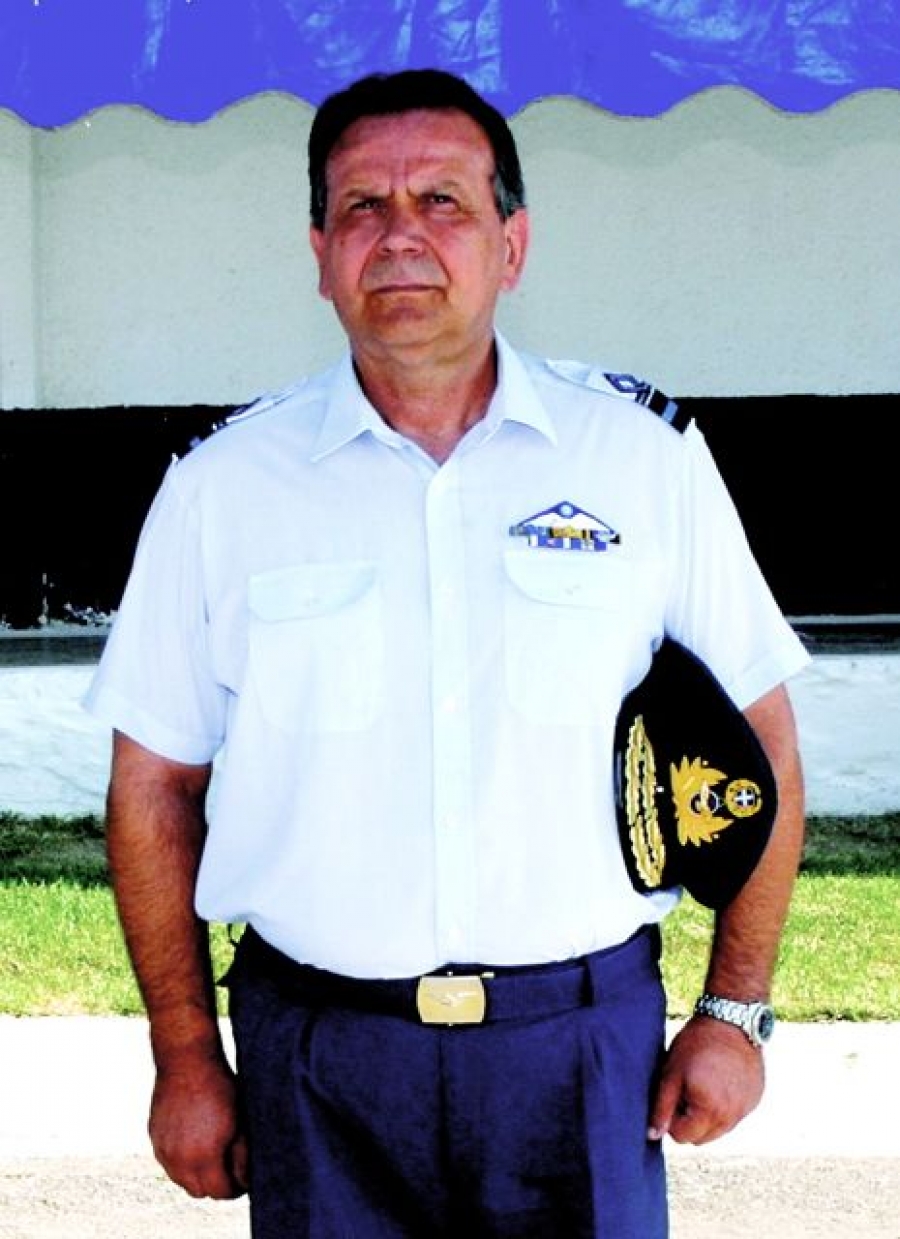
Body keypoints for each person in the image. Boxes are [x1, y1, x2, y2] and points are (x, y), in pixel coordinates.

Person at [85, 67, 809, 1238]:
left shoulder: (642, 460)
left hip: (579, 1047)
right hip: (319, 1059)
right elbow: (155, 787)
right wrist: (184, 1052)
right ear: (319, 254)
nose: (401, 237)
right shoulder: (222, 489)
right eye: (361, 208)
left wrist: (735, 1010)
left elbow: (763, 740)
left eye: (443, 202)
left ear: (511, 245)